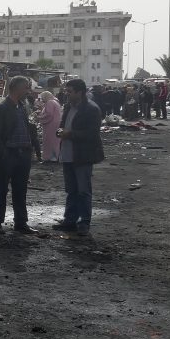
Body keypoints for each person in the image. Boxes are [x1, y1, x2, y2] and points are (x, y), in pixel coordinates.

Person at [0, 75, 38, 235]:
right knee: (2, 188)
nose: (28, 91)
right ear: (16, 88)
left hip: (23, 154)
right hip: (8, 154)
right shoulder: (0, 108)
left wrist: (30, 149)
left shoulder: (22, 107)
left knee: (20, 189)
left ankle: (21, 223)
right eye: (26, 87)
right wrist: (2, 154)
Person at [54, 78, 105, 237]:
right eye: (66, 91)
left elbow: (92, 134)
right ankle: (69, 221)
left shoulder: (91, 109)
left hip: (82, 156)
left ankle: (84, 222)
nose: (67, 94)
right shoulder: (69, 107)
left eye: (70, 92)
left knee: (83, 191)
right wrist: (60, 131)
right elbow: (63, 125)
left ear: (80, 92)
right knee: (71, 190)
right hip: (67, 154)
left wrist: (70, 134)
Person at [38, 90, 63, 162]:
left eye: (42, 97)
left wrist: (39, 117)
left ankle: (49, 157)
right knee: (56, 141)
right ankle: (55, 156)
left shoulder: (50, 102)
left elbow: (49, 114)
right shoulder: (55, 102)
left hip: (51, 125)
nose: (42, 99)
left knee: (49, 140)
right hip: (56, 124)